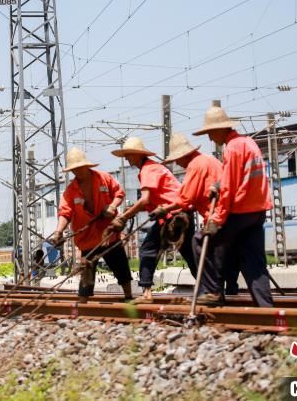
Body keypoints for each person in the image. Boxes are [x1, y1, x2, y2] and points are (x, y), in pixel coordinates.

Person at [192, 104, 274, 307]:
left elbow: (229, 188)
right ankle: (267, 308)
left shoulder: (232, 148)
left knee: (201, 241)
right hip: (257, 211)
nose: (210, 138)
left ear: (220, 128)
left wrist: (216, 220)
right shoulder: (248, 143)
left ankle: (212, 292)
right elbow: (237, 177)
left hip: (240, 211)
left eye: (210, 132)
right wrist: (218, 185)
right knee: (254, 262)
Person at [150, 133, 224, 304]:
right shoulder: (209, 159)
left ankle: (210, 291)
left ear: (183, 155)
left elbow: (185, 198)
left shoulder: (195, 165)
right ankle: (226, 291)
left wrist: (164, 209)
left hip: (217, 214)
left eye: (177, 159)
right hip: (226, 212)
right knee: (227, 255)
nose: (177, 163)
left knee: (199, 246)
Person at [52, 147, 133, 303]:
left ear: (86, 166)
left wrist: (112, 206)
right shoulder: (71, 191)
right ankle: (83, 303)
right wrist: (58, 231)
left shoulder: (104, 178)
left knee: (120, 265)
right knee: (87, 271)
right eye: (74, 169)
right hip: (87, 238)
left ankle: (129, 296)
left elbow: (119, 194)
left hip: (108, 234)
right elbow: (65, 212)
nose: (77, 171)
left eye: (79, 168)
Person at [108, 137, 181, 302]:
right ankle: (210, 289)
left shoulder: (148, 169)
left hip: (172, 215)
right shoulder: (152, 167)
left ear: (136, 155)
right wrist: (130, 211)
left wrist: (125, 216)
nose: (126, 159)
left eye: (128, 155)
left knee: (148, 250)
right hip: (177, 214)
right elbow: (148, 202)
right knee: (190, 254)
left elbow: (145, 199)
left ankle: (146, 293)